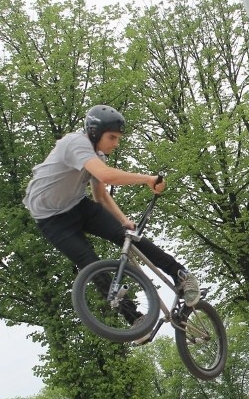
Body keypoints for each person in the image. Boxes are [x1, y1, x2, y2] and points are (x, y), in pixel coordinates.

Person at [23, 105, 201, 325]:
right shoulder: (75, 143)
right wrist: (147, 178)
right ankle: (134, 319)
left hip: (78, 206)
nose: (116, 144)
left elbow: (100, 197)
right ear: (95, 132)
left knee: (128, 237)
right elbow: (107, 177)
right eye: (112, 137)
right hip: (51, 221)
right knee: (89, 263)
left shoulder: (96, 156)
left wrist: (123, 220)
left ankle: (181, 275)